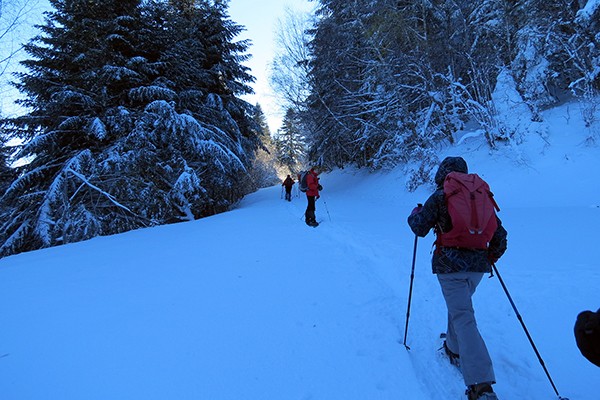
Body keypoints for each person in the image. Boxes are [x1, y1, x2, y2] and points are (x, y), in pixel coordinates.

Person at [407, 156, 508, 400]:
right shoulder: (481, 194)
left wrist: (415, 212)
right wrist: (487, 257)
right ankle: (453, 348)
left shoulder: (442, 195)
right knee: (460, 308)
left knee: (463, 316)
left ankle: (481, 385)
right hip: (477, 268)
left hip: (449, 266)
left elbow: (419, 228)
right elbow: (500, 236)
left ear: (443, 173)